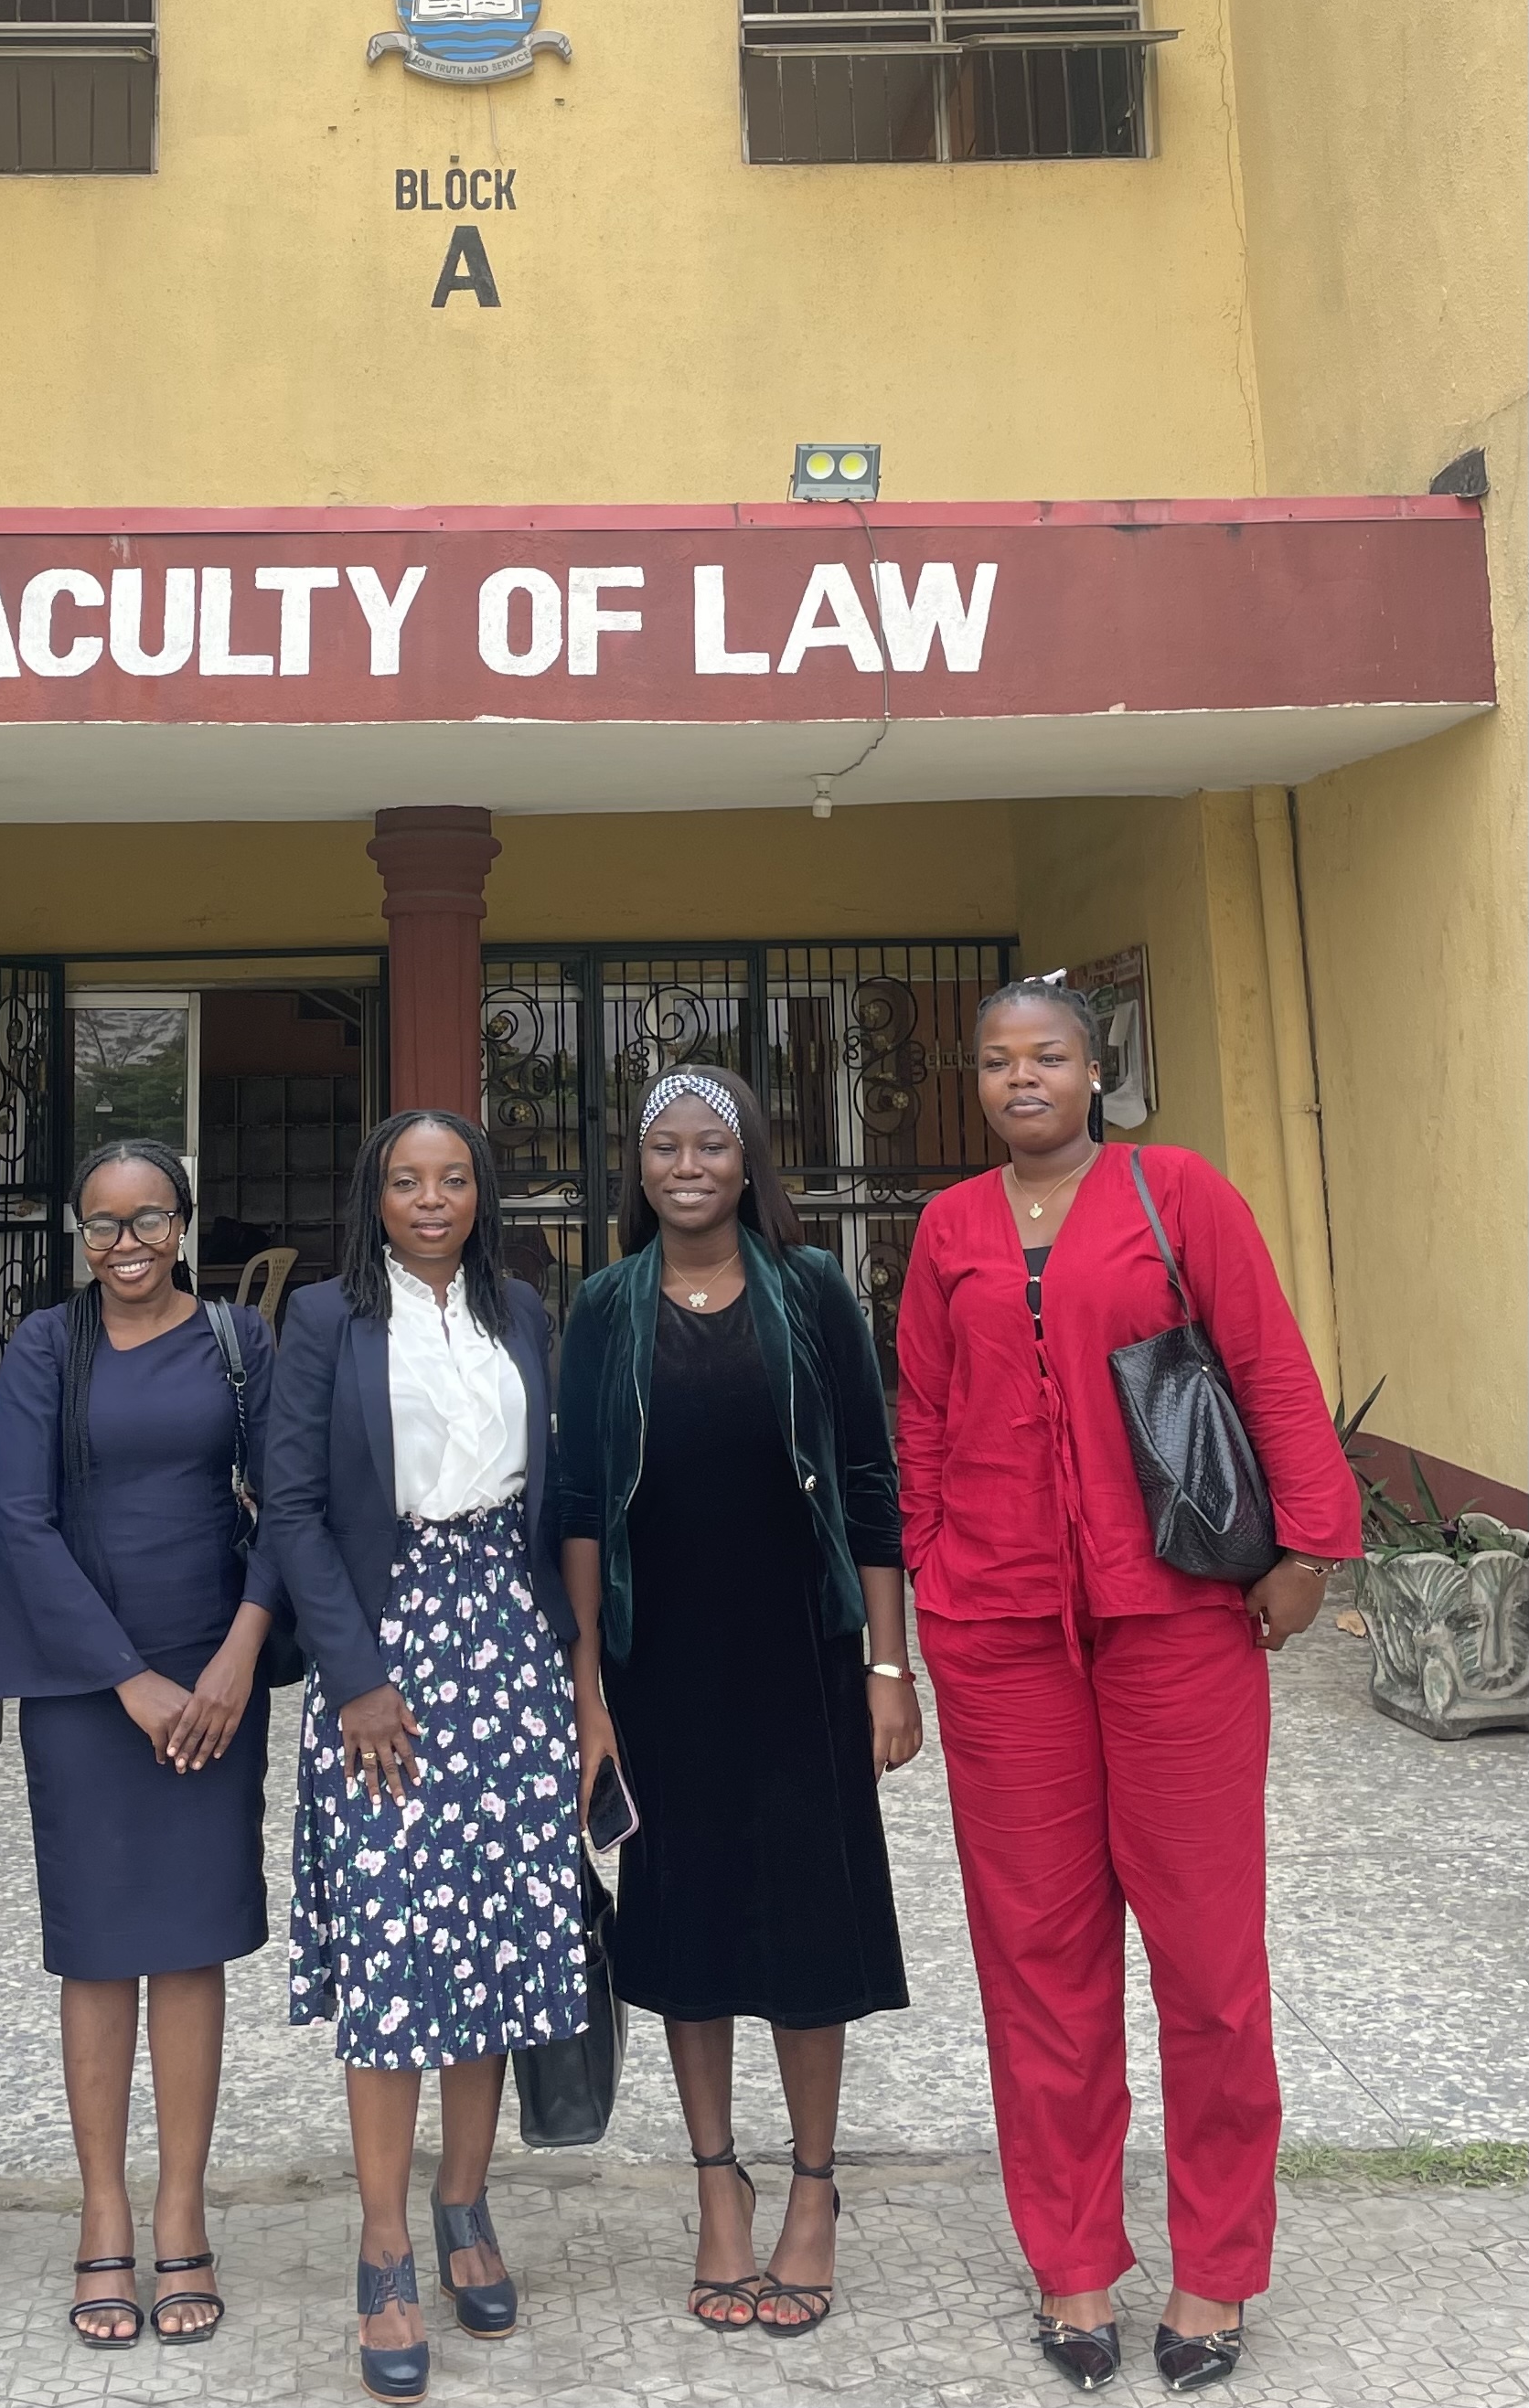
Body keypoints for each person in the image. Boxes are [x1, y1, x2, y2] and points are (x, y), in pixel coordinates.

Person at [895, 976, 1362, 2395]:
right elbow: (921, 1412)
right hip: (1000, 1632)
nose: (1020, 1078)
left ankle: (1215, 2266)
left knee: (1208, 1960)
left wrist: (1307, 1546)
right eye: (996, 1060)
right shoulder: (948, 1226)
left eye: (1045, 1056)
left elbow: (1265, 1362)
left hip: (1176, 1621)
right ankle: (1074, 2260)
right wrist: (932, 1568)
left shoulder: (1179, 1192)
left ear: (1094, 1072)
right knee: (1038, 1957)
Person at [554, 1066, 917, 2340]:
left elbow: (867, 1483)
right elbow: (580, 1505)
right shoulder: (604, 1304)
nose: (688, 1166)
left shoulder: (811, 1291)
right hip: (661, 1666)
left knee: (809, 1930)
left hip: (802, 1658)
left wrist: (888, 1668)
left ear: (749, 1159)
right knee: (687, 1930)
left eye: (711, 1145)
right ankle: (719, 2184)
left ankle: (813, 2187)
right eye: (664, 1147)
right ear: (639, 1168)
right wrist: (590, 1696)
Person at [262, 1110, 584, 2406]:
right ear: (376, 1197)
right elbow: (291, 1508)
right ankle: (385, 2242)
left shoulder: (522, 1310)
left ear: (482, 1194)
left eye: (454, 1179)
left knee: (491, 1933)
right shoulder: (325, 1320)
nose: (432, 1199)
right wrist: (355, 1677)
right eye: (407, 1181)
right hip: (382, 1647)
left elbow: (554, 1495)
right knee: (397, 1945)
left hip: (508, 1644)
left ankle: (465, 2200)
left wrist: (572, 1672)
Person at [0, 1138, 279, 2352]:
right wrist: (126, 1679)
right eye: (101, 1224)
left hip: (215, 1675)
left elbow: (288, 1501)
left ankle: (181, 2210)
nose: (125, 1245)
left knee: (192, 1944)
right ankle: (103, 2209)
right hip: (84, 1682)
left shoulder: (237, 1341)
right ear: (78, 1233)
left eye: (148, 1219)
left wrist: (237, 1655)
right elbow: (20, 1520)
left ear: (184, 1224)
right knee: (100, 1950)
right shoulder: (44, 1347)